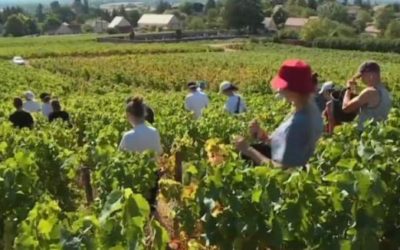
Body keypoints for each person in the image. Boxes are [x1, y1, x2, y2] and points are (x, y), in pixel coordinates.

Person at [235, 59, 323, 168]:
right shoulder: (303, 109)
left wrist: (248, 150)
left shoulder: (300, 122)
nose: (279, 88)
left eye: (282, 85)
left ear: (293, 89)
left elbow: (283, 171)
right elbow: (285, 145)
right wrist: (262, 135)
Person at [342, 61, 392, 131]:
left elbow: (346, 108)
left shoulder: (369, 92)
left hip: (365, 133)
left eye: (362, 76)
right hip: (378, 132)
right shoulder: (386, 91)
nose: (361, 79)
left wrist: (348, 89)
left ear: (370, 75)